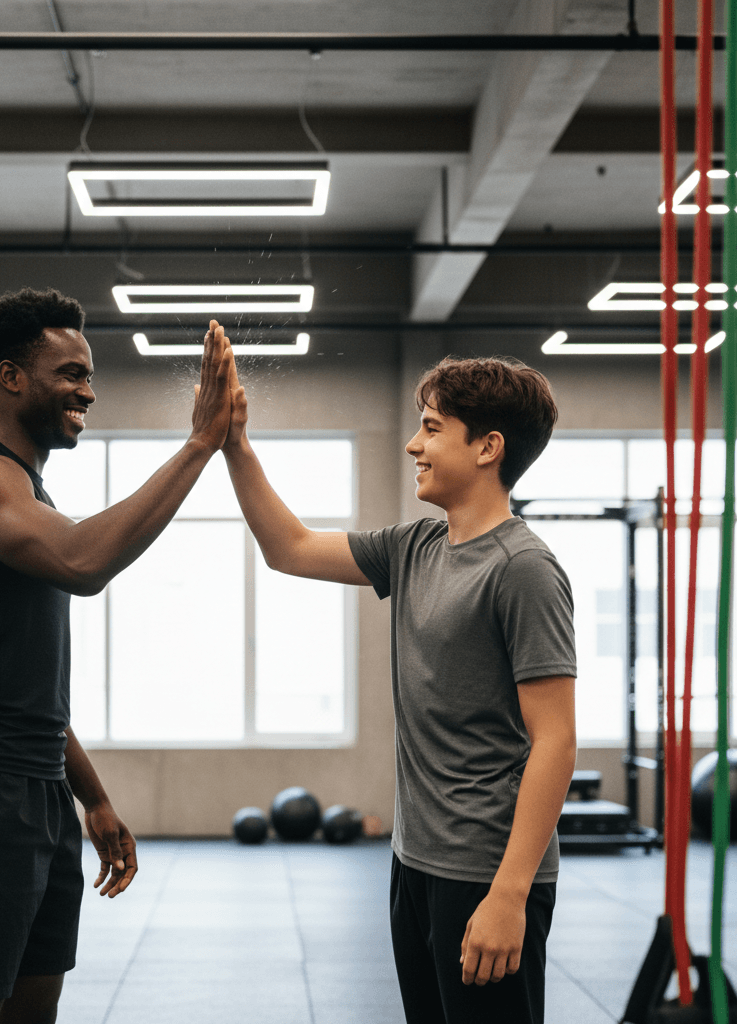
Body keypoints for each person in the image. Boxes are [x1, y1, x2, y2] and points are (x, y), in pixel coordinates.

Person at [0, 288, 235, 1024]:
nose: (88, 390)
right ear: (12, 377)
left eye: (89, 375)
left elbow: (26, 680)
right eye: (71, 373)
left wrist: (92, 794)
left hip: (34, 777)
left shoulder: (28, 492)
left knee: (31, 1001)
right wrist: (199, 444)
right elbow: (85, 564)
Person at [223, 352, 576, 1024]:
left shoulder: (523, 570)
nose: (414, 443)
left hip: (485, 870)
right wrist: (233, 445)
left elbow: (555, 740)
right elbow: (287, 547)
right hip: (414, 858)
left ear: (487, 447)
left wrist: (509, 894)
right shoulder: (415, 546)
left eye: (433, 428)